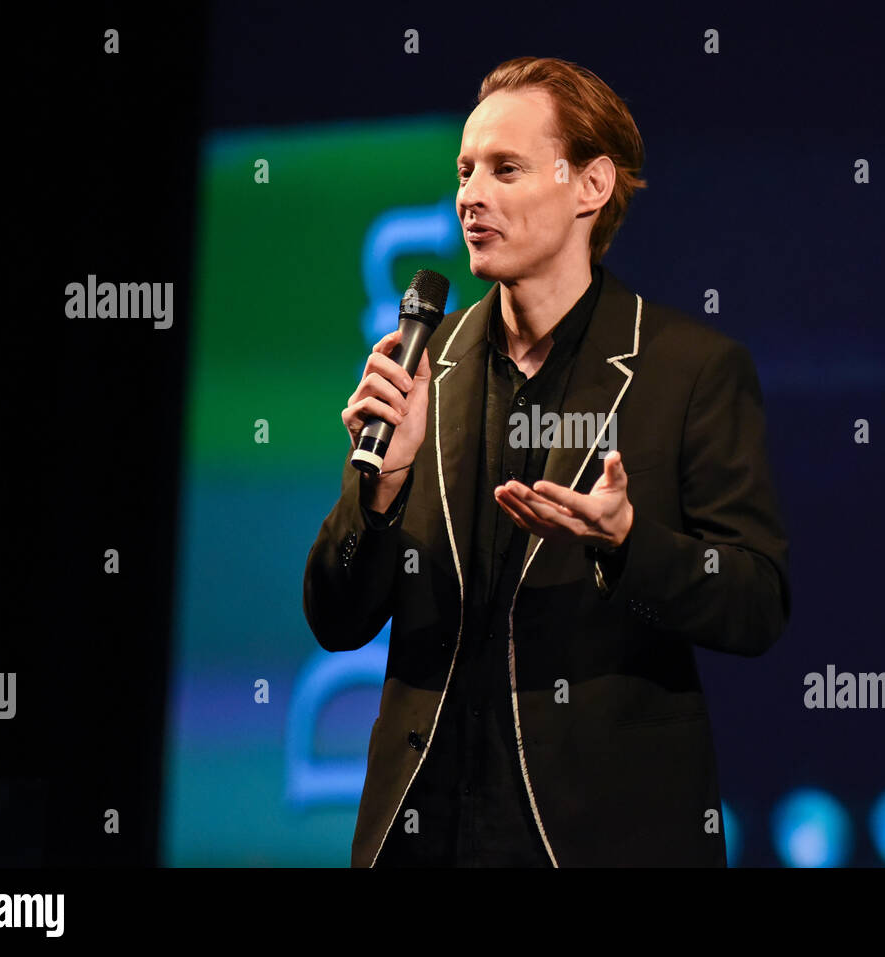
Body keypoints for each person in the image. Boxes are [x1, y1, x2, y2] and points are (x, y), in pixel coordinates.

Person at [303, 56, 791, 867]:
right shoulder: (425, 362)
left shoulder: (689, 369)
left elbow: (757, 600)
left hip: (596, 837)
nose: (470, 195)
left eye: (505, 168)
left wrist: (629, 544)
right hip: (427, 834)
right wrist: (379, 493)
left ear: (590, 186)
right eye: (464, 170)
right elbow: (335, 617)